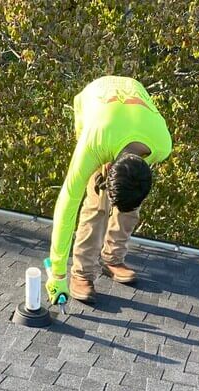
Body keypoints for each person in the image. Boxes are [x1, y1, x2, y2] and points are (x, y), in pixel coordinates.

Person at [46, 76, 172, 306]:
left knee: (130, 200)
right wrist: (57, 274)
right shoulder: (95, 140)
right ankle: (82, 273)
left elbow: (131, 187)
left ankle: (112, 258)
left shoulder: (163, 145)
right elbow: (67, 203)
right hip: (95, 101)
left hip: (133, 109)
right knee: (97, 204)